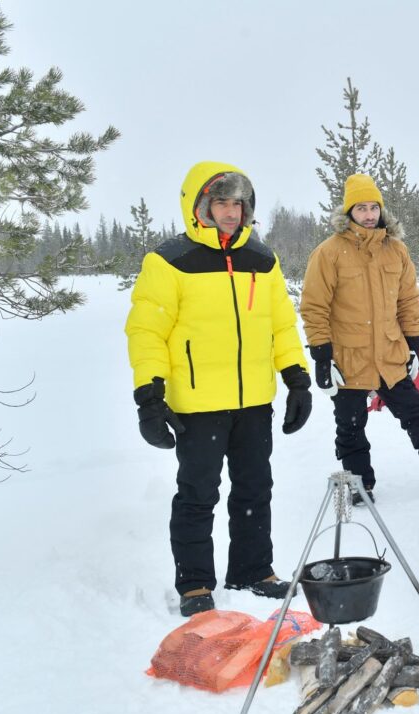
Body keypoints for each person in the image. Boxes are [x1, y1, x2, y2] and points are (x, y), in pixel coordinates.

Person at [125, 161, 313, 616]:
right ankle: (194, 586)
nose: (231, 212)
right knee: (198, 494)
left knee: (254, 489)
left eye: (238, 203)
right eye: (221, 203)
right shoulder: (170, 261)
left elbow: (281, 325)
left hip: (253, 402)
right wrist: (150, 397)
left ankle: (252, 571)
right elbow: (146, 332)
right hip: (197, 404)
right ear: (199, 207)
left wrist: (296, 378)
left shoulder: (262, 259)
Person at [300, 174, 419, 504]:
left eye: (373, 207)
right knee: (351, 428)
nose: (369, 214)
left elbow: (408, 301)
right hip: (350, 358)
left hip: (390, 355)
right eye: (361, 208)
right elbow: (314, 307)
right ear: (349, 212)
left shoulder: (396, 251)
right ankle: (359, 486)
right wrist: (322, 357)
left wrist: (414, 346)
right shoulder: (328, 253)